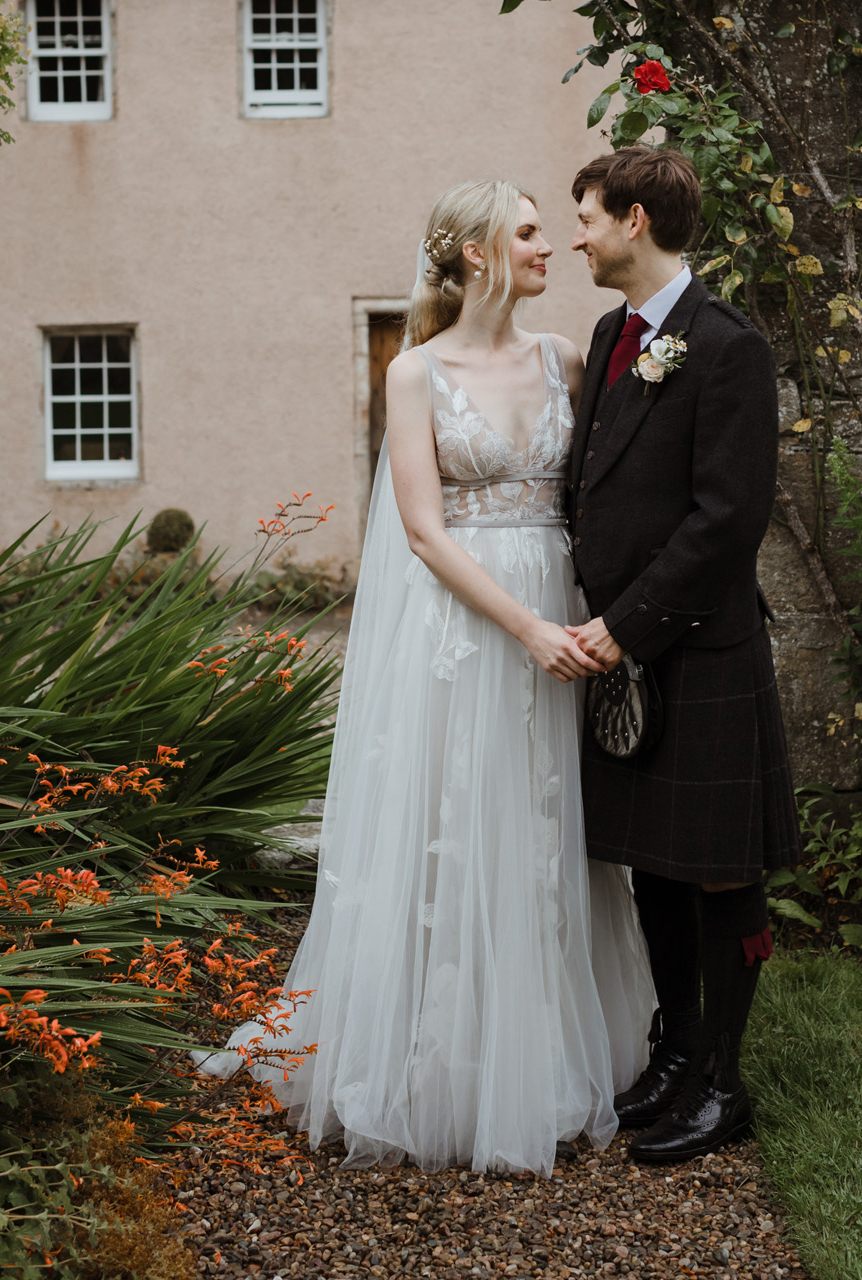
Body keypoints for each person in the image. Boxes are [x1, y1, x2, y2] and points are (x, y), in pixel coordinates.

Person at [198, 179, 654, 1175]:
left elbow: (596, 496)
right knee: (456, 819)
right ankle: (440, 1061)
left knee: (549, 826)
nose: (551, 247)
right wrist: (527, 626)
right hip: (469, 625)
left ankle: (551, 1048)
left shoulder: (567, 358)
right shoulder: (415, 374)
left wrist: (586, 617)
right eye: (531, 232)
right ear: (479, 253)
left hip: (560, 611)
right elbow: (421, 532)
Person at [566, 146, 801, 1166]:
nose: (577, 237)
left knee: (718, 870)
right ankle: (676, 1049)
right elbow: (594, 483)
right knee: (654, 862)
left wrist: (626, 625)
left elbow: (726, 520)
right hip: (625, 649)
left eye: (586, 217)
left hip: (697, 649)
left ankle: (724, 1082)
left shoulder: (727, 345)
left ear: (634, 220)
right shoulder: (614, 332)